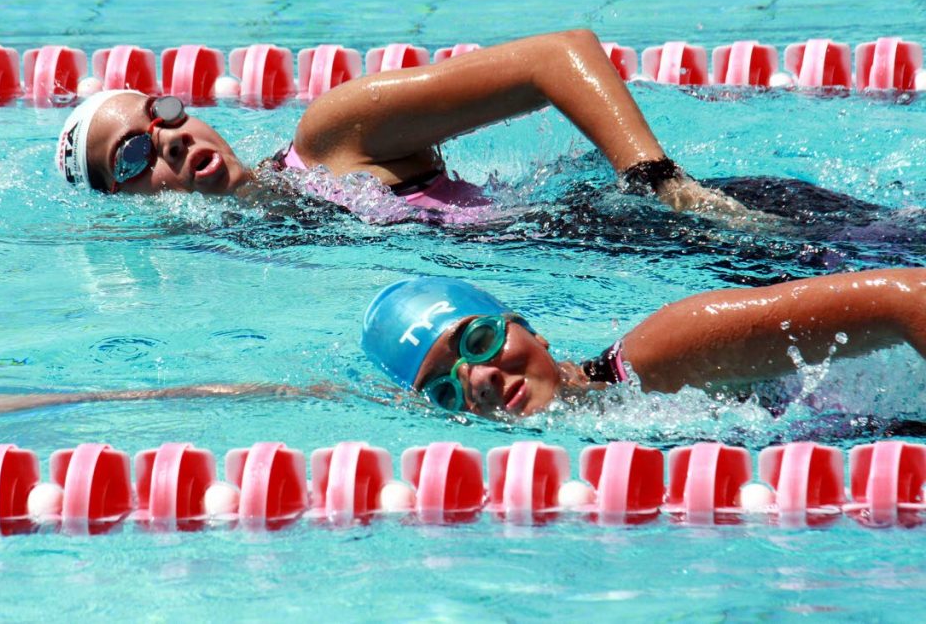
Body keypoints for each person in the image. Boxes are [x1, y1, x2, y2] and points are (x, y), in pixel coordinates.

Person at [55, 30, 747, 220]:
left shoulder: (330, 138)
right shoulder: (243, 252)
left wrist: (663, 184)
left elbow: (559, 57)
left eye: (160, 114)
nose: (169, 138)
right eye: (134, 155)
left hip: (676, 223)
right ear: (124, 208)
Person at [361, 270, 926, 418]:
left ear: (531, 329)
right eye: (443, 391)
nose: (478, 381)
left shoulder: (663, 356)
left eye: (479, 342)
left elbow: (910, 297)